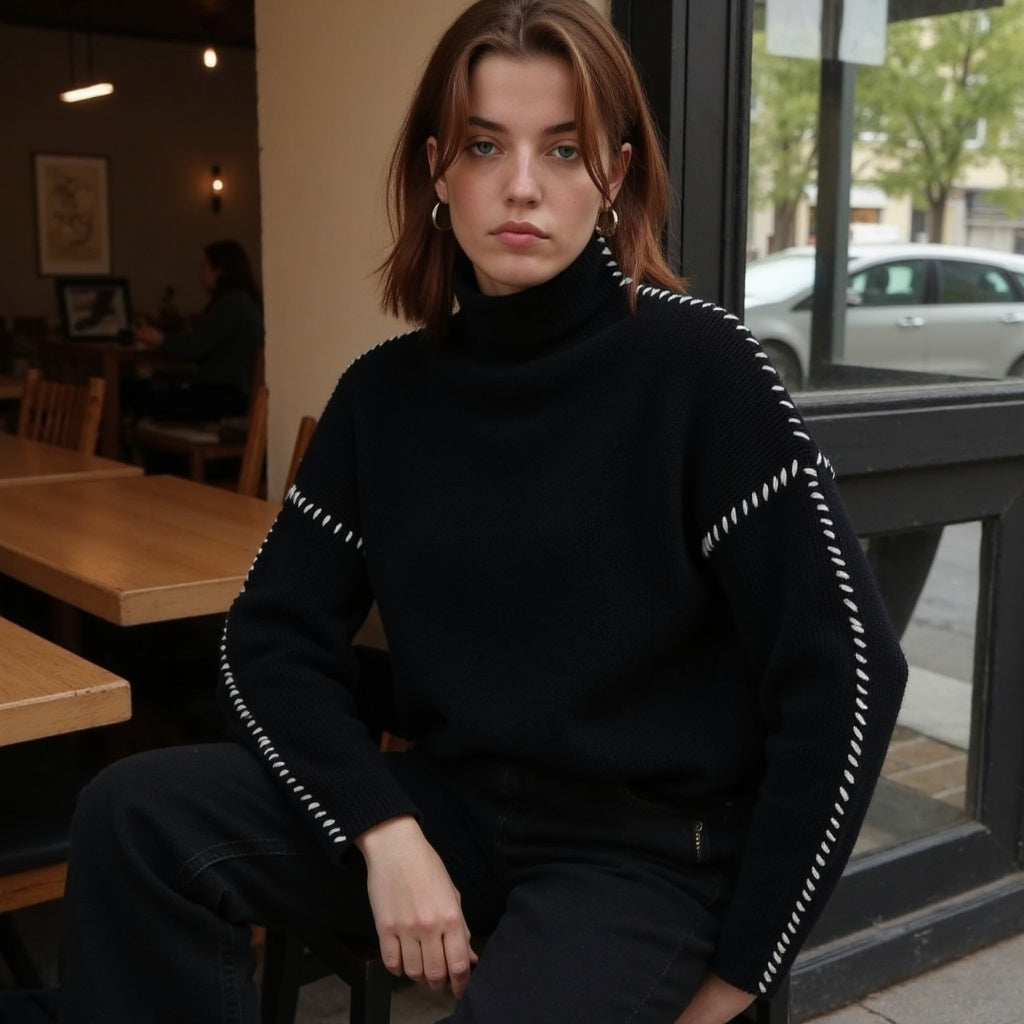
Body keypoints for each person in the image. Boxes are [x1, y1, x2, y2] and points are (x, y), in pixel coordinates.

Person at [55, 2, 907, 1022]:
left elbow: (847, 676)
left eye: (563, 150)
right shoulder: (385, 396)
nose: (521, 185)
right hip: (451, 807)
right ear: (437, 170)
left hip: (644, 852)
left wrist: (735, 984)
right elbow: (268, 640)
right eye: (484, 145)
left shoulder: (701, 371)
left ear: (615, 173)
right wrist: (384, 831)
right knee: (134, 815)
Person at [128, 239, 263, 423]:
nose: (200, 273)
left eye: (204, 266)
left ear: (219, 271)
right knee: (147, 389)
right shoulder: (245, 300)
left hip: (223, 397)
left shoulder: (232, 303)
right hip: (231, 393)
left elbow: (194, 346)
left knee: (134, 392)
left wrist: (159, 339)